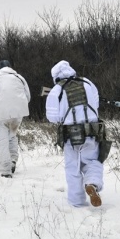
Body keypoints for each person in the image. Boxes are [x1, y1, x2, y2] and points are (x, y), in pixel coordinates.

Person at [45, 60, 105, 207]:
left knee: (73, 168)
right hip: (92, 131)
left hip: (70, 135)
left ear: (55, 77)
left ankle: (77, 202)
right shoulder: (87, 83)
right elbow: (95, 104)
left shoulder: (56, 90)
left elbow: (52, 117)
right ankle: (92, 183)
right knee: (92, 162)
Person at [0, 60, 30, 178]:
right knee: (12, 136)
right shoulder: (20, 78)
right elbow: (28, 96)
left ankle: (6, 170)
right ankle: (13, 160)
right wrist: (19, 108)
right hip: (17, 114)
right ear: (10, 67)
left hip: (1, 114)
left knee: (3, 141)